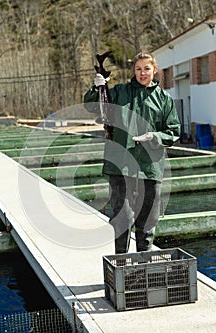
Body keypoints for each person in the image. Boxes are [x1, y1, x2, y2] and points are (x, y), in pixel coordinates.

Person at [84, 52, 181, 254]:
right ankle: (121, 264)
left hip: (150, 166)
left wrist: (154, 137)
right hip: (120, 164)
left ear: (154, 70)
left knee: (147, 220)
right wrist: (97, 86)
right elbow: (93, 106)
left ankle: (143, 267)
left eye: (146, 68)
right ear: (133, 71)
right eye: (138, 69)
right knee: (123, 217)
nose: (142, 73)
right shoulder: (120, 92)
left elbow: (173, 131)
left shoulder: (164, 99)